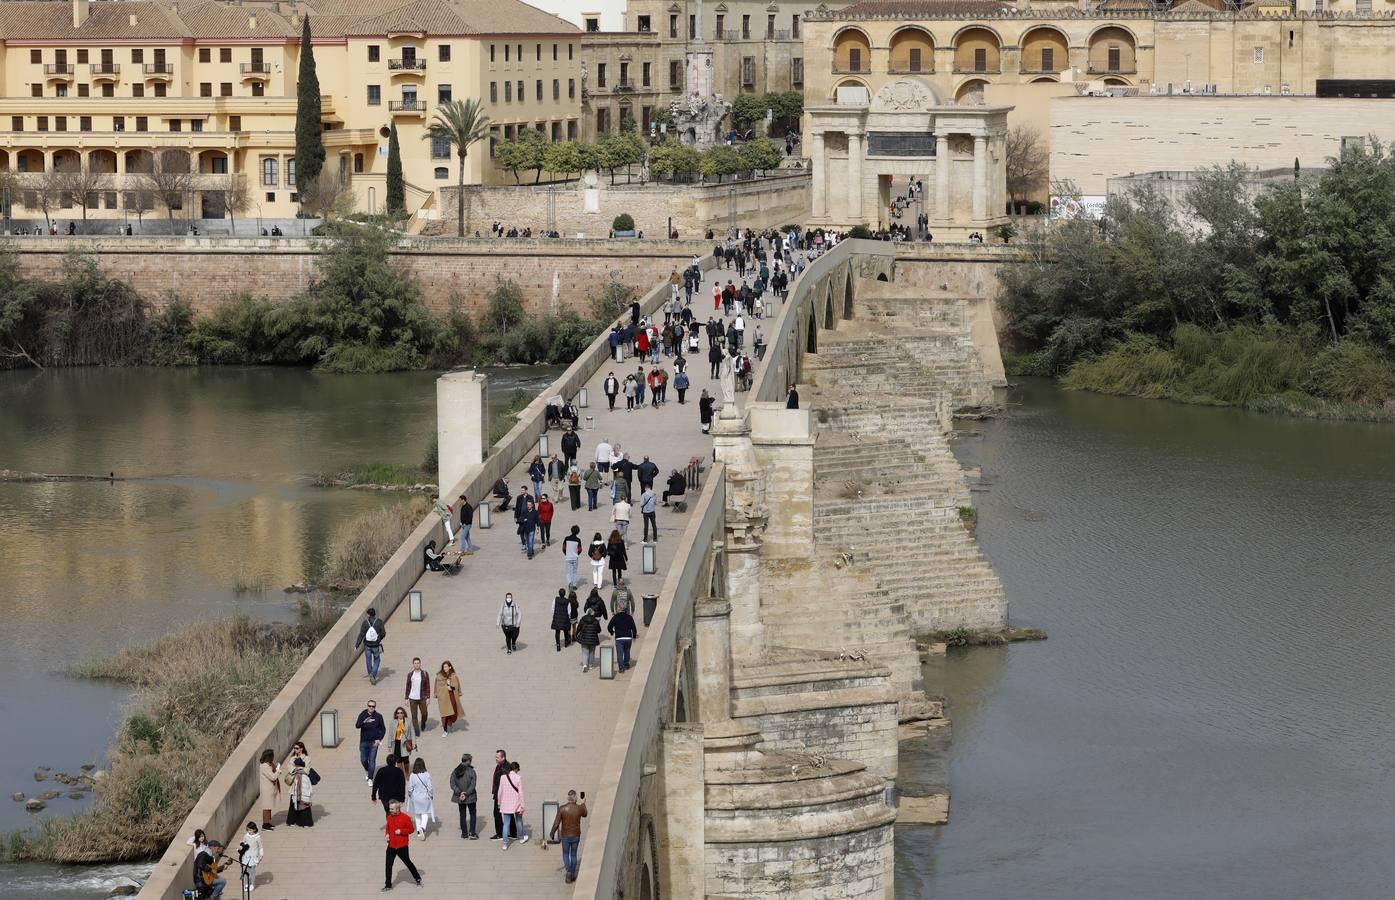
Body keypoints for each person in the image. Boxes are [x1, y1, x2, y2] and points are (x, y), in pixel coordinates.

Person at [549, 790, 589, 884]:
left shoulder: (562, 809)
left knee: (566, 854)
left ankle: (569, 871)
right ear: (575, 798)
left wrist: (552, 833)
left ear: (568, 798)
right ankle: (573, 874)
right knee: (574, 855)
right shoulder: (579, 808)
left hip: (565, 836)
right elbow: (585, 814)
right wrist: (583, 803)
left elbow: (556, 823)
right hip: (575, 835)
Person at [383, 799, 424, 890]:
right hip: (391, 846)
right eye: (390, 809)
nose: (390, 811)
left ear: (398, 809)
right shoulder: (389, 817)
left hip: (402, 846)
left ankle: (417, 878)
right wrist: (387, 834)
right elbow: (388, 828)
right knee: (388, 865)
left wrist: (401, 831)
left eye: (392, 809)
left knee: (408, 863)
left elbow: (411, 830)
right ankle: (388, 885)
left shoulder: (405, 818)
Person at [498, 761, 528, 849]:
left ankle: (505, 843)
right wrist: (522, 805)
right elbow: (521, 793)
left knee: (506, 823)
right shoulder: (518, 778)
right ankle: (521, 838)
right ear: (516, 769)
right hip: (517, 804)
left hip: (506, 804)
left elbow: (500, 792)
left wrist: (499, 803)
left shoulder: (503, 777)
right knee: (519, 821)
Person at [355, 608, 387, 685]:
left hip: (367, 645)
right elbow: (383, 633)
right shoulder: (379, 622)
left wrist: (357, 645)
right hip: (376, 645)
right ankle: (373, 674)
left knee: (368, 660)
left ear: (368, 614)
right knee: (377, 660)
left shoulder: (365, 623)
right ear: (374, 614)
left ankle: (370, 674)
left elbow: (361, 634)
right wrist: (379, 639)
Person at [356, 700, 386, 781]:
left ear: (375, 707)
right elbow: (357, 726)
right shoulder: (362, 715)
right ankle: (367, 770)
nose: (371, 708)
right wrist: (363, 722)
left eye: (373, 706)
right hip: (364, 742)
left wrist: (379, 740)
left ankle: (370, 778)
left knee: (372, 760)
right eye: (370, 706)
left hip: (374, 743)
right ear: (367, 706)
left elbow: (383, 729)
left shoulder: (378, 716)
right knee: (363, 760)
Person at [451, 753, 478, 840]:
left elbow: (452, 783)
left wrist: (460, 793)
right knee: (472, 814)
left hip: (460, 797)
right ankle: (472, 833)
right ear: (469, 761)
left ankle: (464, 833)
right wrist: (466, 793)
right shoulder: (472, 771)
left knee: (462, 815)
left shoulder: (455, 771)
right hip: (470, 797)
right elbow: (473, 785)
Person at [407, 758, 436, 838]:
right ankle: (423, 828)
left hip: (415, 797)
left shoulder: (412, 775)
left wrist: (410, 795)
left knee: (417, 814)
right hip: (425, 797)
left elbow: (410, 788)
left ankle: (419, 831)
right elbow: (429, 787)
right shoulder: (427, 774)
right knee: (425, 813)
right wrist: (431, 795)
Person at [373, 753, 407, 817]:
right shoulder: (399, 771)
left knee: (388, 812)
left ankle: (390, 824)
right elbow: (402, 785)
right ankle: (395, 825)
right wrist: (402, 799)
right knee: (396, 811)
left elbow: (375, 784)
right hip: (396, 796)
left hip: (384, 796)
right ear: (395, 762)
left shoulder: (381, 771)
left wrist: (373, 797)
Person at [284, 758, 314, 827]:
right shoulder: (304, 775)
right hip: (304, 794)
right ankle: (304, 823)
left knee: (299, 807)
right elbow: (309, 786)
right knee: (304, 808)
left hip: (298, 794)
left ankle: (300, 822)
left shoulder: (297, 774)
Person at [405, 657, 431, 735]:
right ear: (413, 664)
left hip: (422, 697)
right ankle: (416, 730)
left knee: (425, 713)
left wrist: (428, 697)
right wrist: (406, 698)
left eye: (418, 663)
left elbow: (428, 686)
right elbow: (408, 686)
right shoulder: (410, 674)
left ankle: (423, 722)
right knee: (414, 715)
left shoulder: (425, 673)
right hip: (412, 698)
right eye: (415, 663)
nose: (416, 664)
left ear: (420, 664)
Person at [435, 660, 462, 735]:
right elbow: (438, 687)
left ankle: (450, 722)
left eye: (446, 666)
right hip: (443, 698)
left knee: (453, 712)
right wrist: (446, 686)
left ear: (450, 667)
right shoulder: (439, 676)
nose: (445, 668)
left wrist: (450, 686)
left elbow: (456, 686)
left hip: (452, 696)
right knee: (445, 713)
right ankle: (445, 730)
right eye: (444, 667)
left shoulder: (453, 676)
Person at [609, 606, 638, 672]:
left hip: (619, 638)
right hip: (628, 637)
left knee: (620, 653)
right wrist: (634, 636)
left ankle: (621, 668)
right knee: (627, 651)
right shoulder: (629, 617)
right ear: (625, 609)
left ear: (618, 610)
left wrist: (612, 632)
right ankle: (626, 664)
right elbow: (634, 628)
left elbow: (609, 626)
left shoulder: (615, 617)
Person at [489, 749, 510, 840]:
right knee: (508, 812)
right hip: (500, 793)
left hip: (501, 794)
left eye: (497, 757)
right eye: (496, 757)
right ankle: (512, 832)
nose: (496, 759)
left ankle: (500, 834)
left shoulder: (503, 768)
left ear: (503, 757)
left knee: (497, 813)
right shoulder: (502, 766)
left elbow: (503, 783)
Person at [257, 749, 280, 831]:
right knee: (266, 807)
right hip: (267, 789)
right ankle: (265, 825)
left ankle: (267, 822)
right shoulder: (264, 766)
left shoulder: (269, 764)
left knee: (269, 806)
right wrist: (278, 771)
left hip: (270, 789)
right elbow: (273, 777)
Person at [239, 822, 264, 893]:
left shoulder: (257, 837)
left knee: (252, 872)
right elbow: (243, 843)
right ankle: (247, 883)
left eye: (250, 830)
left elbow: (260, 847)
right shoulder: (246, 836)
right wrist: (241, 847)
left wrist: (261, 855)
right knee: (245, 871)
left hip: (253, 856)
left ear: (254, 829)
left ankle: (252, 884)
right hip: (246, 856)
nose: (249, 831)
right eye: (247, 830)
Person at [575, 607, 602, 673]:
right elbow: (599, 630)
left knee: (584, 652)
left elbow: (578, 627)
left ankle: (584, 665)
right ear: (593, 613)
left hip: (584, 638)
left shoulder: (583, 619)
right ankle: (590, 665)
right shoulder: (595, 621)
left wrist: (576, 634)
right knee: (591, 652)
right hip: (593, 639)